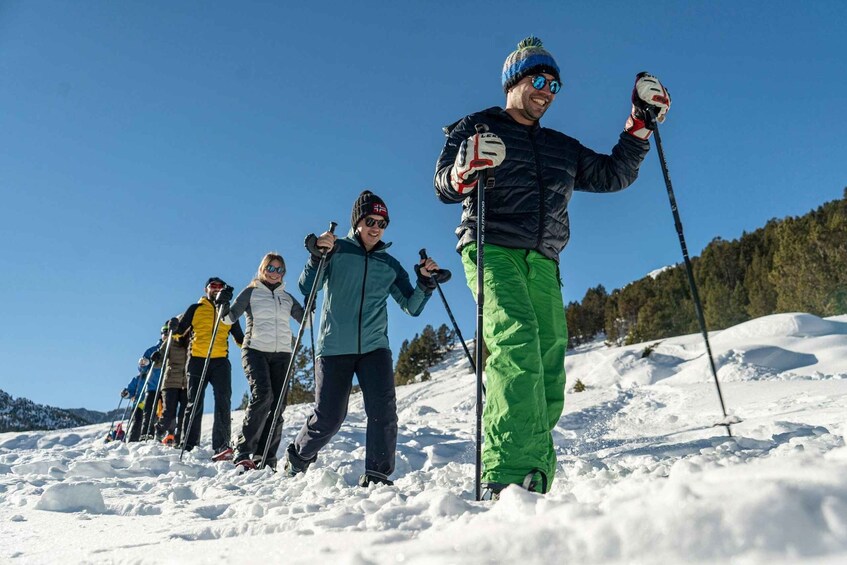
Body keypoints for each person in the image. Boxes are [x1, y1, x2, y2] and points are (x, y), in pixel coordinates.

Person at [433, 37, 670, 497]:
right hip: (492, 247)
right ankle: (504, 474)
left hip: (544, 259)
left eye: (555, 85)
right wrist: (465, 170)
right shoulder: (477, 125)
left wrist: (640, 126)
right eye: (538, 80)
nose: (547, 91)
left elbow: (612, 175)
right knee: (516, 342)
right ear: (513, 82)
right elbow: (444, 184)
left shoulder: (561, 146)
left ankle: (534, 471)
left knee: (548, 358)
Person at [284, 190, 441, 487]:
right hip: (334, 346)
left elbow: (412, 306)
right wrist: (317, 255)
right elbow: (307, 288)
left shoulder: (390, 264)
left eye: (383, 223)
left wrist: (424, 282)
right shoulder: (336, 249)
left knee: (384, 412)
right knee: (329, 418)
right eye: (370, 220)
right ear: (357, 221)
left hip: (374, 347)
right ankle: (299, 457)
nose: (376, 228)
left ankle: (378, 475)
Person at [224, 253, 309, 471]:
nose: (275, 273)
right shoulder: (251, 292)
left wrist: (310, 303)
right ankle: (243, 449)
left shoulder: (287, 298)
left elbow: (306, 322)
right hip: (255, 350)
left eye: (280, 270)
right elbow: (228, 319)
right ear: (263, 269)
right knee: (263, 395)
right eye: (271, 268)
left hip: (282, 353)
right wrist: (221, 302)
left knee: (278, 404)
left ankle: (266, 455)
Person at [173, 277, 244, 460]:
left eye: (220, 286)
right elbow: (180, 331)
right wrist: (174, 328)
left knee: (223, 400)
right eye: (213, 286)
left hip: (220, 360)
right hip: (197, 359)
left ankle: (221, 444)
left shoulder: (227, 311)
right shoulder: (195, 309)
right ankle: (188, 443)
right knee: (194, 401)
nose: (216, 289)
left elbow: (239, 338)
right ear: (206, 289)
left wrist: (250, 347)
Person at [154, 317, 190, 446]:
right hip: (170, 382)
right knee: (168, 412)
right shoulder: (170, 340)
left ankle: (179, 439)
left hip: (186, 382)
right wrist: (156, 357)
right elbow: (159, 361)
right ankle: (158, 432)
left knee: (184, 414)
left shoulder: (191, 341)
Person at [122, 335, 164, 443]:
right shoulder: (139, 378)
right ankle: (133, 441)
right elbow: (131, 388)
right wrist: (127, 393)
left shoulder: (174, 348)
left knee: (158, 417)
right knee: (138, 422)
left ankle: (157, 439)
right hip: (141, 402)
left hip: (163, 388)